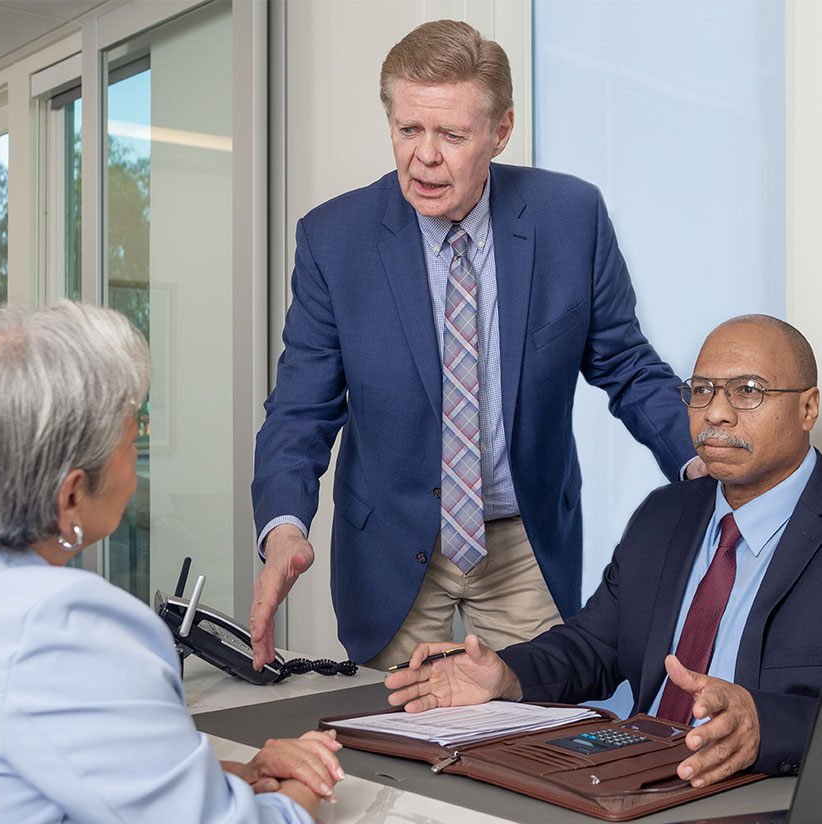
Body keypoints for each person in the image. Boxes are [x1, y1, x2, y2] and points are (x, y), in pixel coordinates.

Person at [251, 19, 702, 671]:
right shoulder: (334, 240)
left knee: (531, 717)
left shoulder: (571, 218)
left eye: (452, 135)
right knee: (400, 725)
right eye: (409, 129)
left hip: (523, 543)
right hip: (391, 546)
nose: (424, 157)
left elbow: (628, 367)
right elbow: (300, 411)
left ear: (501, 130)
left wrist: (699, 460)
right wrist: (284, 528)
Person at [386, 314, 822, 788]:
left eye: (748, 391)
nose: (716, 413)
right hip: (635, 778)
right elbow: (593, 646)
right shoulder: (664, 513)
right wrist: (506, 674)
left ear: (808, 408)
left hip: (762, 790)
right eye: (702, 390)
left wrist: (765, 728)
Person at [0, 301, 343, 824]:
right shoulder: (68, 631)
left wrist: (225, 775)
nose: (138, 459)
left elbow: (48, 767)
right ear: (72, 497)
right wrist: (304, 784)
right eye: (130, 443)